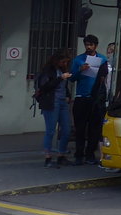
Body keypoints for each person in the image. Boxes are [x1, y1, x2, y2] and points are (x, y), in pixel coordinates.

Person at [70, 35, 108, 165]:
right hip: (82, 97)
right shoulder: (78, 60)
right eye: (86, 44)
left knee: (95, 128)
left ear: (95, 46)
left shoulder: (102, 59)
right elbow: (71, 78)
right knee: (80, 128)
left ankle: (90, 154)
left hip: (96, 99)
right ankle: (79, 154)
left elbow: (105, 76)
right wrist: (80, 70)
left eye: (91, 44)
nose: (88, 47)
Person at [34, 50, 73, 167]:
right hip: (51, 101)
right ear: (57, 60)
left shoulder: (62, 70)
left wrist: (68, 95)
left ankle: (61, 155)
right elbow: (45, 86)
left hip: (62, 101)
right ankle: (48, 158)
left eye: (66, 62)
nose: (65, 64)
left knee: (66, 130)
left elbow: (64, 86)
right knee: (50, 130)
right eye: (63, 62)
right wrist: (60, 78)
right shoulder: (48, 70)